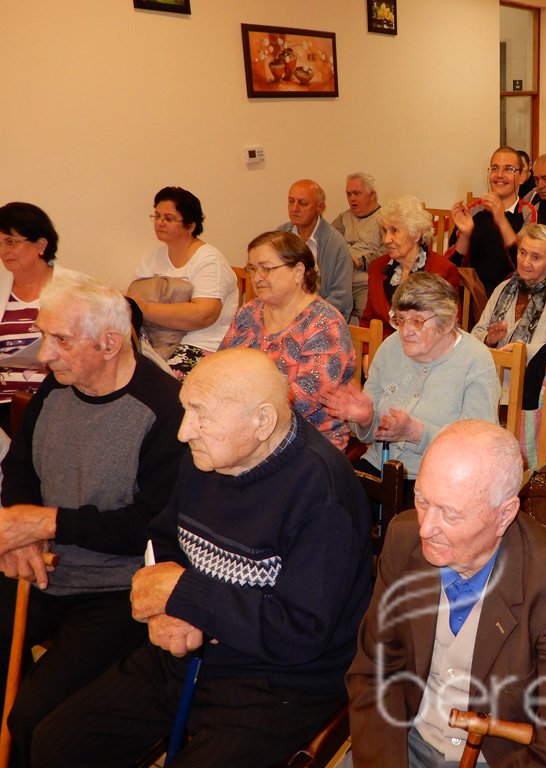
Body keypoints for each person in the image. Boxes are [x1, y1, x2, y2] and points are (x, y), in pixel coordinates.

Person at [33, 348, 373, 767]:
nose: (184, 432)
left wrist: (184, 597)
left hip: (275, 683)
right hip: (186, 653)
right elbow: (164, 538)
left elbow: (300, 632)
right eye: (186, 410)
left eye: (201, 415)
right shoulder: (207, 455)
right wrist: (166, 611)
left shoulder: (323, 494)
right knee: (56, 743)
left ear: (262, 421)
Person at [346, 419, 546, 767]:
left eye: (451, 514)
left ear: (505, 515)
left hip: (503, 759)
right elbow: (375, 671)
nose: (426, 528)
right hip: (405, 739)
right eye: (422, 500)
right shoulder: (403, 539)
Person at [0, 273, 185, 767]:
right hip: (41, 569)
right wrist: (21, 536)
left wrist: (49, 524)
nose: (45, 354)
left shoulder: (164, 410)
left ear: (109, 343)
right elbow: (20, 469)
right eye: (45, 336)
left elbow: (149, 528)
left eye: (60, 340)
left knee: (32, 718)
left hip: (114, 591)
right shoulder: (56, 386)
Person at [322, 272, 499, 503]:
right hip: (380, 466)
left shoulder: (475, 360)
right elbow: (370, 435)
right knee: (329, 505)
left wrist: (416, 433)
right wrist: (366, 419)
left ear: (447, 322)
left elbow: (478, 446)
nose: (405, 331)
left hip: (441, 479)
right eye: (400, 319)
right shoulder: (390, 347)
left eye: (417, 321)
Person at [220, 231, 356, 451]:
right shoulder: (249, 312)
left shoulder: (325, 323)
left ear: (298, 271)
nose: (257, 277)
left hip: (306, 439)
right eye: (252, 268)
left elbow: (306, 398)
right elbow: (222, 365)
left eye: (266, 268)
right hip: (245, 427)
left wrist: (238, 410)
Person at [128, 186, 238, 376]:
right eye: (157, 216)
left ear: (190, 226)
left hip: (201, 344)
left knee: (157, 380)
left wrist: (145, 309)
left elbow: (204, 314)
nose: (160, 223)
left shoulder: (209, 260)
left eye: (169, 218)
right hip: (157, 343)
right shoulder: (153, 258)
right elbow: (132, 300)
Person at [0, 203, 83, 430]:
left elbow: (93, 345)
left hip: (59, 399)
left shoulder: (78, 288)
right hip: (4, 404)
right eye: (0, 243)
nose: (3, 251)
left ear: (41, 245)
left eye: (11, 242)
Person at [472, 222, 546, 359]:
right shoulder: (503, 288)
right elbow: (474, 336)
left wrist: (523, 351)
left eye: (535, 257)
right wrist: (488, 339)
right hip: (492, 370)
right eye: (522, 253)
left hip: (534, 373)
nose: (525, 262)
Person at [363, 195, 461, 337]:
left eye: (394, 231)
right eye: (384, 231)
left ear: (416, 234)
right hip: (382, 347)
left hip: (424, 348)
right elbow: (367, 322)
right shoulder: (376, 267)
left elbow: (447, 329)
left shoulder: (442, 271)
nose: (386, 239)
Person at [448, 147, 538, 296]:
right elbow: (450, 267)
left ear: (522, 176)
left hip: (513, 295)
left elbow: (526, 266)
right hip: (473, 295)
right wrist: (465, 235)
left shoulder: (528, 212)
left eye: (508, 169)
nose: (499, 175)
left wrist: (501, 220)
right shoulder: (474, 210)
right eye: (494, 168)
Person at [277, 178, 354, 319]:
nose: (294, 208)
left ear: (320, 208)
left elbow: (341, 299)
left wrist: (304, 317)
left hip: (319, 320)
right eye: (291, 201)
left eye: (302, 203)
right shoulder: (280, 236)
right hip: (282, 315)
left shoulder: (336, 244)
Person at [331, 172, 385, 319]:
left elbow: (387, 254)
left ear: (372, 195)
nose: (352, 199)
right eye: (348, 194)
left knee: (367, 319)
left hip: (366, 283)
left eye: (357, 193)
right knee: (325, 315)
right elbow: (329, 242)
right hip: (341, 281)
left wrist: (359, 262)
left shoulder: (384, 219)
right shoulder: (344, 218)